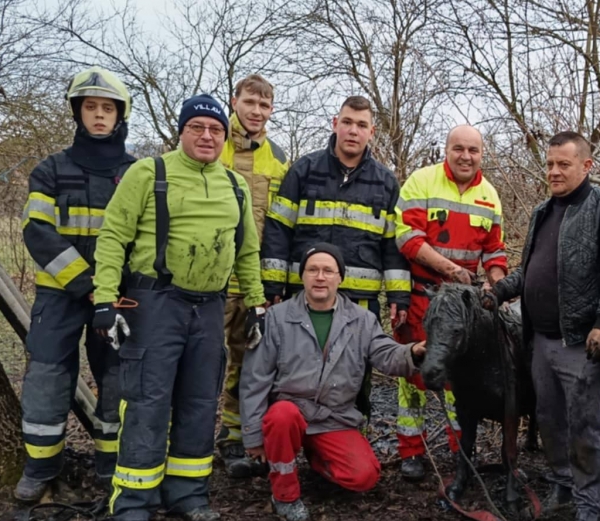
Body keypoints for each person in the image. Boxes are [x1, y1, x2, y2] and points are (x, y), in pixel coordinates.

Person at [91, 94, 267, 521]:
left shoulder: (235, 185)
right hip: (155, 303)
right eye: (197, 128)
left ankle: (188, 493)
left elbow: (247, 250)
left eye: (215, 130)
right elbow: (113, 235)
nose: (207, 136)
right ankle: (133, 505)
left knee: (199, 400)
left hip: (209, 307)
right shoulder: (149, 173)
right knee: (148, 401)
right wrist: (105, 299)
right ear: (182, 132)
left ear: (224, 137)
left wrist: (256, 304)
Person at [483, 132, 600, 521]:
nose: (554, 172)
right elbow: (531, 271)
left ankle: (589, 510)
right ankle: (563, 486)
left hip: (581, 340)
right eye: (549, 164)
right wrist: (500, 291)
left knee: (585, 427)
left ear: (587, 165)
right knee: (549, 419)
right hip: (539, 339)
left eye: (563, 164)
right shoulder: (545, 210)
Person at [14, 67, 136, 501]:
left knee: (118, 378)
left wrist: (109, 289)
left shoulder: (136, 173)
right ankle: (41, 468)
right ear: (77, 113)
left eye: (107, 109)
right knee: (48, 375)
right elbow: (37, 231)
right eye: (90, 108)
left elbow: (142, 239)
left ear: (120, 115)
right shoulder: (49, 171)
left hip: (119, 297)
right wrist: (86, 283)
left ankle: (112, 464)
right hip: (60, 294)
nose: (99, 116)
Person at [240, 244, 426, 521]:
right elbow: (254, 380)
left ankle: (318, 459)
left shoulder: (363, 320)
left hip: (334, 418)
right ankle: (285, 494)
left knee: (364, 477)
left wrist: (414, 352)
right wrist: (253, 436)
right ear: (302, 276)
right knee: (282, 415)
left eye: (328, 270)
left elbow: (387, 356)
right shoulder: (277, 318)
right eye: (312, 270)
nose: (320, 277)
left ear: (340, 278)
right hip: (291, 415)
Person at [260, 96, 409, 427]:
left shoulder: (386, 183)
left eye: (360, 125)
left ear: (372, 131)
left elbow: (393, 248)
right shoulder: (304, 170)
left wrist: (399, 297)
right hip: (304, 298)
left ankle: (354, 433)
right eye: (347, 122)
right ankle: (282, 437)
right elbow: (278, 230)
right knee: (292, 369)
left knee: (357, 372)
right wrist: (272, 285)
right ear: (335, 124)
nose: (352, 131)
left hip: (360, 304)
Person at [392, 125, 507, 481]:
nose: (465, 156)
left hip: (466, 306)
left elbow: (495, 252)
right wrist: (451, 270)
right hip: (422, 296)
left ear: (481, 155)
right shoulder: (421, 181)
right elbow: (407, 236)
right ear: (447, 149)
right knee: (414, 374)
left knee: (462, 376)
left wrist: (501, 290)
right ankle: (411, 450)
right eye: (459, 148)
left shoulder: (489, 195)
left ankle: (462, 449)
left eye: (473, 150)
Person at [217, 74, 289, 479]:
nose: (256, 111)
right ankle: (183, 439)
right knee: (202, 359)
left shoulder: (278, 158)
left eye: (264, 106)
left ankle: (233, 435)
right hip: (207, 278)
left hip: (253, 279)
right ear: (235, 101)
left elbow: (278, 226)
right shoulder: (211, 140)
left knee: (247, 361)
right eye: (250, 102)